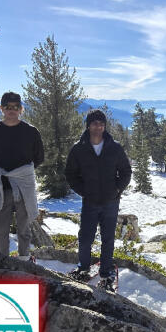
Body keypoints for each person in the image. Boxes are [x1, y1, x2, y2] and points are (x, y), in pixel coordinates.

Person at [64, 109, 132, 292]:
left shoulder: (114, 147)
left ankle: (106, 271)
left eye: (101, 124)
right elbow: (70, 174)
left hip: (111, 202)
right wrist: (84, 191)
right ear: (88, 125)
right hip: (90, 202)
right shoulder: (79, 149)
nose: (98, 127)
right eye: (95, 123)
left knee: (108, 238)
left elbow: (126, 171)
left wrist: (117, 189)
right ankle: (83, 267)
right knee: (85, 237)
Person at [0, 91, 44, 261]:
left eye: (15, 107)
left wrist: (20, 174)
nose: (11, 110)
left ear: (21, 109)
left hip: (24, 187)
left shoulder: (31, 132)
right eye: (8, 107)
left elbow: (39, 157)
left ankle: (24, 260)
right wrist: (9, 174)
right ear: (1, 108)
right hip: (2, 186)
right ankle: (3, 261)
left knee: (24, 229)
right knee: (0, 229)